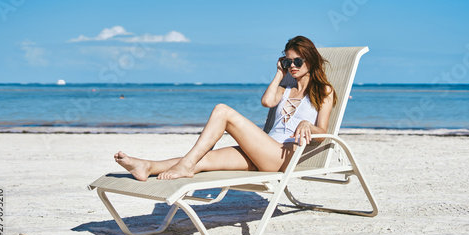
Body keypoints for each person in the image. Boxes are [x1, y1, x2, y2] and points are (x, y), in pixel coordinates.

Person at [115, 36, 337, 181]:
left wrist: (307, 124)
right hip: (266, 150)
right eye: (288, 62)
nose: (293, 67)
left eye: (297, 61)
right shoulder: (285, 89)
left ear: (311, 60)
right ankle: (147, 166)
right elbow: (267, 102)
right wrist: (280, 73)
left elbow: (323, 134)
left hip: (285, 156)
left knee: (222, 111)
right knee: (204, 159)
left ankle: (183, 167)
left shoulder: (323, 91)